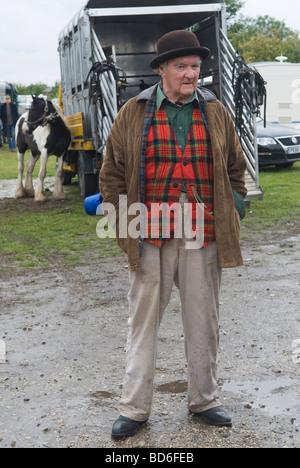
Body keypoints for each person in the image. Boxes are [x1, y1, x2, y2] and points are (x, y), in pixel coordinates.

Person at [100, 30, 247, 440]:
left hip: (203, 230)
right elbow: (111, 174)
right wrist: (124, 224)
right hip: (149, 230)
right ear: (161, 70)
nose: (190, 74)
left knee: (204, 320)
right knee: (142, 322)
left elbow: (236, 167)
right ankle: (134, 409)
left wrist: (234, 204)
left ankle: (204, 399)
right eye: (181, 66)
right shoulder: (134, 110)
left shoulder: (215, 110)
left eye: (195, 67)